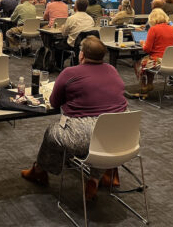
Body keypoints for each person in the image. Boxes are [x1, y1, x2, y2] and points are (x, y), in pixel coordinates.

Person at [21, 36, 127, 200]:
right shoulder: (113, 70)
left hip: (81, 136)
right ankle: (96, 178)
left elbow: (55, 102)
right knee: (100, 141)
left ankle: (40, 171)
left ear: (82, 55)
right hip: (121, 135)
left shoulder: (70, 72)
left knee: (53, 133)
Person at [126, 8, 173, 99]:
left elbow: (147, 49)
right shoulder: (172, 29)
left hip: (159, 62)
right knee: (148, 60)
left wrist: (142, 43)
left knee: (140, 63)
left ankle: (144, 85)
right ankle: (150, 83)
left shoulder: (153, 29)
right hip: (170, 61)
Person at [54, 0, 95, 66]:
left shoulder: (71, 18)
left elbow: (64, 34)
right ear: (86, 7)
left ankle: (58, 65)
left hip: (73, 45)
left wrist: (63, 28)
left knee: (57, 46)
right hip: (86, 45)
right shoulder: (90, 19)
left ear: (75, 6)